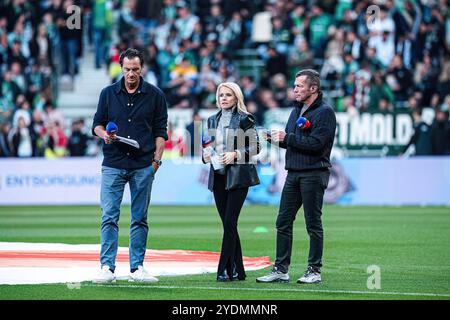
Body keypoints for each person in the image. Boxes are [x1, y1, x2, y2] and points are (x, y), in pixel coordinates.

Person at [91, 48, 168, 283]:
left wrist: (156, 162)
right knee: (109, 216)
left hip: (143, 164)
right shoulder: (107, 93)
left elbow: (160, 132)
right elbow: (96, 124)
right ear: (121, 68)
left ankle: (137, 268)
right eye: (127, 69)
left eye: (135, 69)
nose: (131, 74)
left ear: (141, 68)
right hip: (113, 162)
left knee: (139, 218)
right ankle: (107, 267)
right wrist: (103, 134)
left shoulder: (156, 95)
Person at [256, 69, 336, 284]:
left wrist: (288, 138)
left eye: (299, 86)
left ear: (313, 88)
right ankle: (281, 269)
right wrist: (274, 140)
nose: (295, 90)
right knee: (282, 221)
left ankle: (314, 270)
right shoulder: (296, 111)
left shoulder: (325, 112)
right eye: (294, 85)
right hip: (293, 174)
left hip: (314, 173)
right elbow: (292, 141)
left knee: (313, 223)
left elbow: (317, 145)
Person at [203, 82, 261, 282]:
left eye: (228, 95)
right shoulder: (211, 120)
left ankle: (223, 269)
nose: (224, 98)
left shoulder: (245, 118)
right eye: (221, 95)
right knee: (229, 225)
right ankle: (239, 270)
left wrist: (235, 154)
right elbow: (209, 147)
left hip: (238, 176)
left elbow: (256, 147)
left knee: (230, 222)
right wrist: (206, 155)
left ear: (237, 98)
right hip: (218, 175)